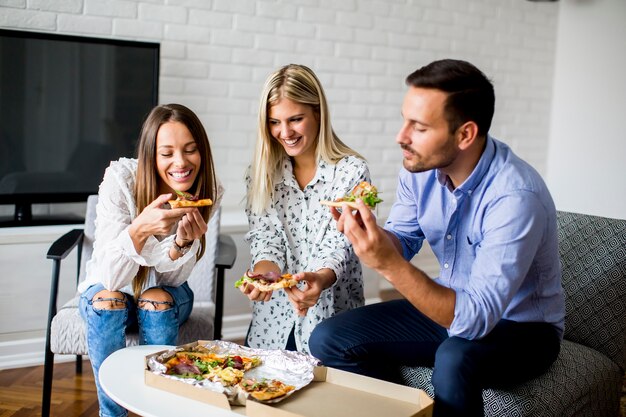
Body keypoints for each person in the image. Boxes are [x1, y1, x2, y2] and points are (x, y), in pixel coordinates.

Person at [309, 59, 565, 417]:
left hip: (523, 329)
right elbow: (403, 237)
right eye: (404, 120)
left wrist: (388, 264)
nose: (401, 137)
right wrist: (370, 234)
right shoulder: (419, 170)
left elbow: (474, 321)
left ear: (465, 135)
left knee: (455, 356)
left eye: (419, 127)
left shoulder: (516, 197)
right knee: (328, 338)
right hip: (452, 303)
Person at [77, 103, 222, 417]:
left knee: (156, 298)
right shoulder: (121, 180)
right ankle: (111, 414)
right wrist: (140, 228)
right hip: (108, 290)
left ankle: (157, 409)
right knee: (108, 300)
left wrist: (182, 243)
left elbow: (172, 281)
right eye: (167, 153)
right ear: (150, 155)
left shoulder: (207, 190)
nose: (181, 163)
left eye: (190, 150)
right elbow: (112, 278)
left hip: (167, 294)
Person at [240, 64, 369, 354]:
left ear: (318, 113)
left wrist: (320, 279)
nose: (284, 132)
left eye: (295, 119)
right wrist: (264, 273)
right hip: (272, 322)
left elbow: (342, 244)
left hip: (332, 321)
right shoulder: (261, 174)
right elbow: (265, 237)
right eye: (274, 122)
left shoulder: (351, 171)